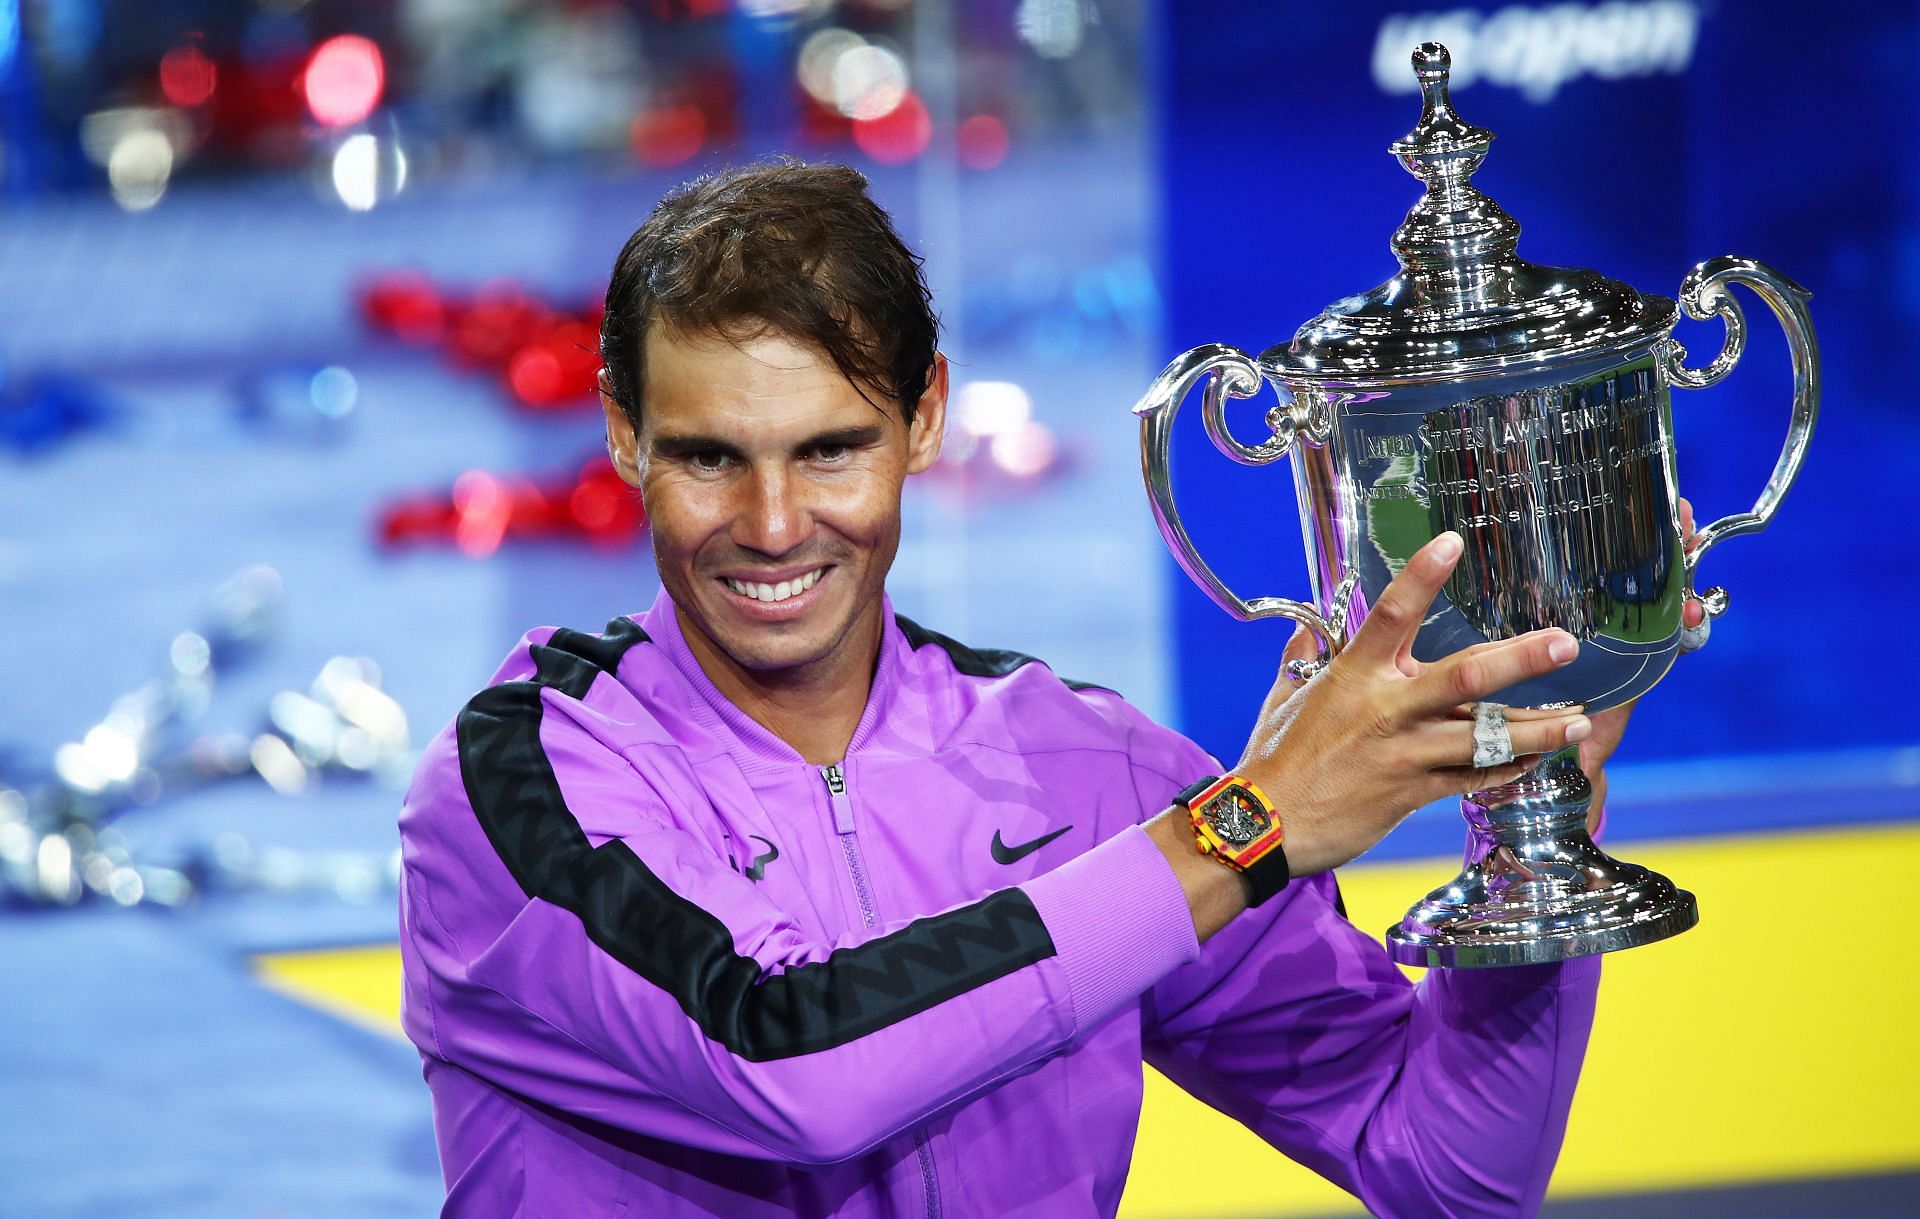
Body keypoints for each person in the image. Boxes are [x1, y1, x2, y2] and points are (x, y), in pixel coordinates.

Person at [398, 160, 1691, 1218]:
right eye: (707, 459)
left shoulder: (1088, 771)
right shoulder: (521, 783)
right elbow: (784, 1056)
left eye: (832, 450)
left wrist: (1543, 800)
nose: (775, 523)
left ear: (925, 421)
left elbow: (1445, 1164)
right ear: (622, 432)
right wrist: (1243, 831)